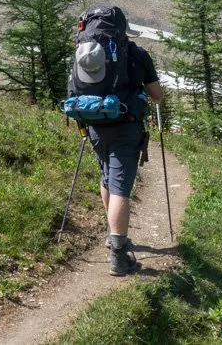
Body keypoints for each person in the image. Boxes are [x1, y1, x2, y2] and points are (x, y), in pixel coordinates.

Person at [74, 15, 163, 276]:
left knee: (107, 178)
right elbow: (156, 96)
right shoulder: (136, 54)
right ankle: (119, 255)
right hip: (126, 126)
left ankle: (112, 235)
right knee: (121, 187)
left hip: (94, 125)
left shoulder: (84, 51)